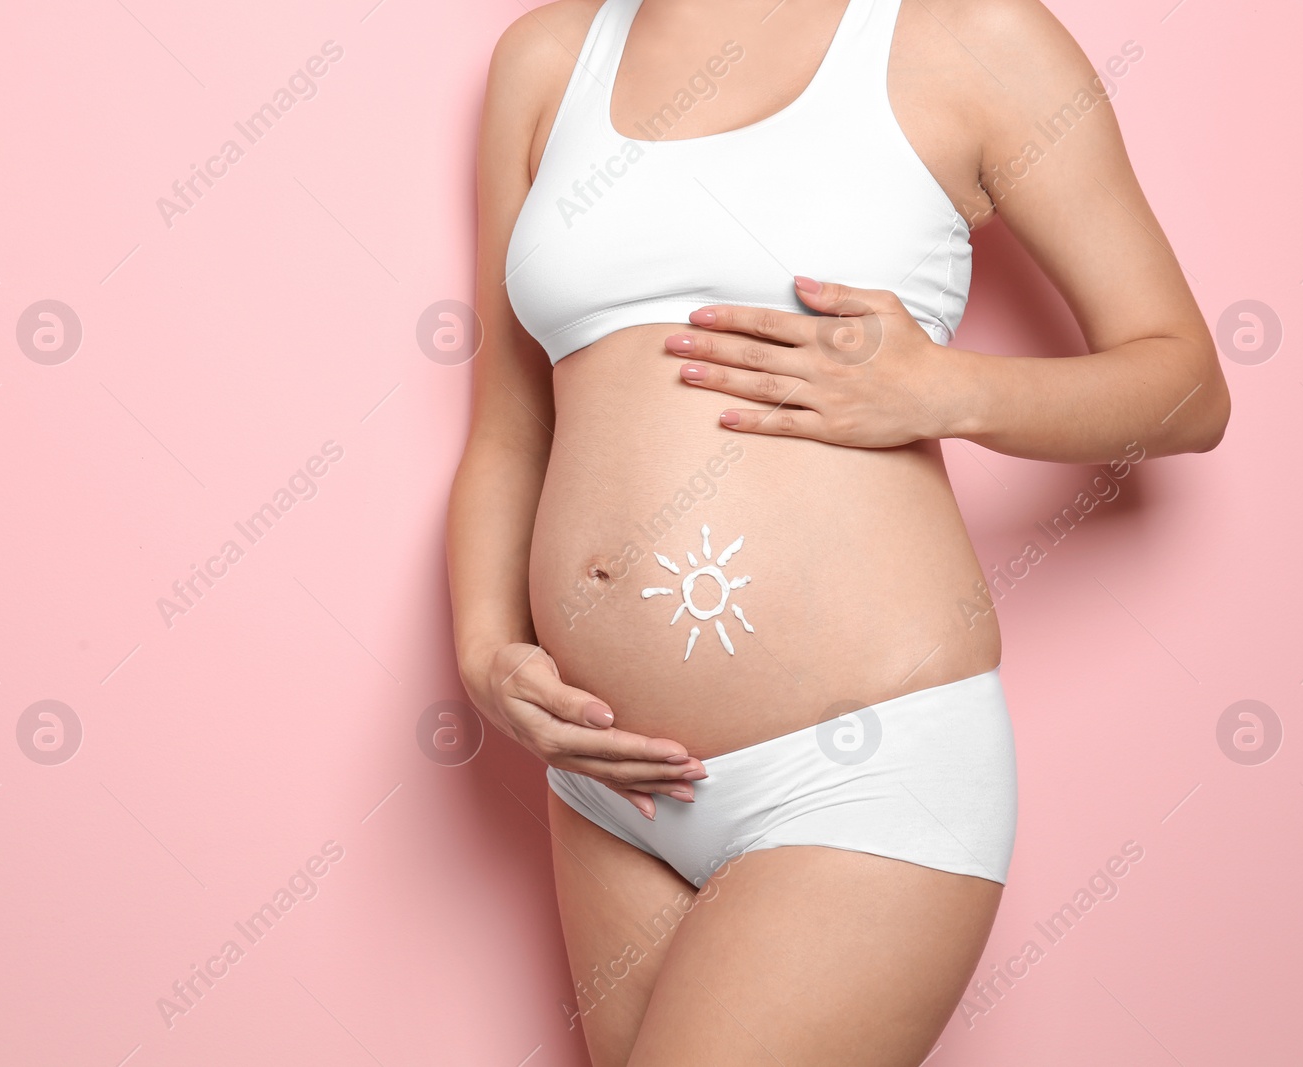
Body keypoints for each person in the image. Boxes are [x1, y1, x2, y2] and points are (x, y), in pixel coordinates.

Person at [447, 0, 1229, 1062]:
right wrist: (488, 650)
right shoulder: (546, 57)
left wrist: (942, 391)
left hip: (859, 768)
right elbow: (507, 423)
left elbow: (1183, 384)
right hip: (607, 781)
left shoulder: (968, 35)